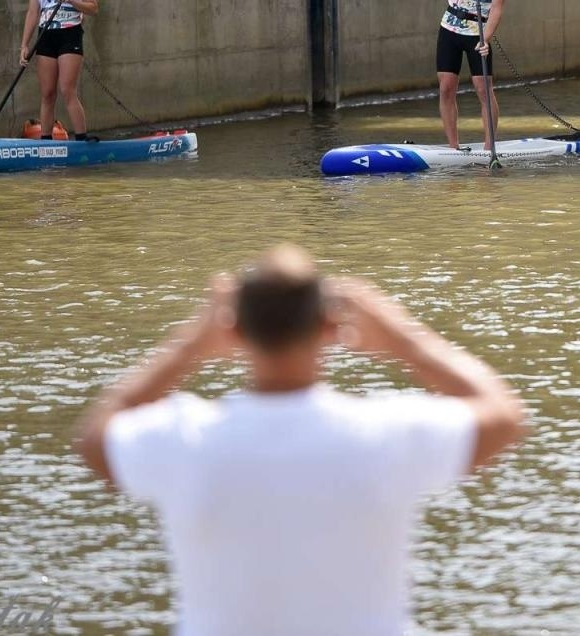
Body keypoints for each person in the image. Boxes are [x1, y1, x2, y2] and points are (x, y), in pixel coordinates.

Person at [73, 244, 527, 636]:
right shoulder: (384, 432)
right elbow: (504, 415)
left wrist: (190, 345)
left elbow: (94, 437)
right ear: (330, 327)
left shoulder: (186, 438)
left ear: (233, 331)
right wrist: (402, 337)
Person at [433, 0, 511, 150]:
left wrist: (486, 39)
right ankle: (453, 146)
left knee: (483, 89)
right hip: (449, 27)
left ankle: (489, 146)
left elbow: (497, 9)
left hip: (477, 32)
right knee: (446, 87)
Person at [19, 0, 99, 141]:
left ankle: (82, 138)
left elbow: (93, 8)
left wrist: (73, 1)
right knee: (47, 93)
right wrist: (24, 45)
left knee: (67, 89)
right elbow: (32, 12)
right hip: (46, 36)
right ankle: (46, 142)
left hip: (69, 34)